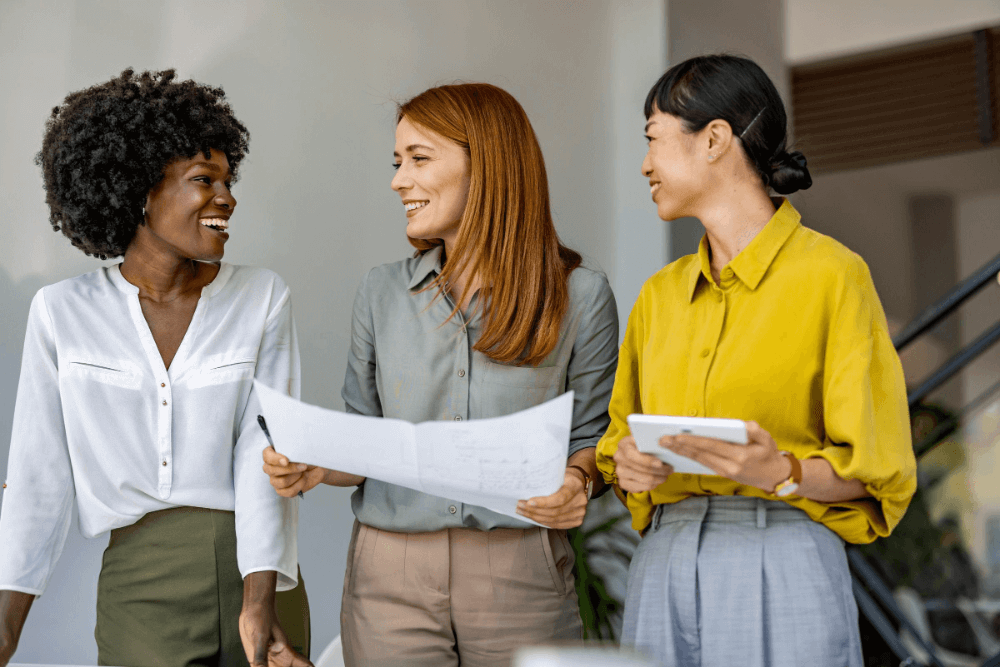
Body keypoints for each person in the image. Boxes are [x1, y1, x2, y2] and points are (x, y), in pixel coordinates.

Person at [263, 82, 619, 667]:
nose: (399, 180)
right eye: (398, 162)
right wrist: (315, 463)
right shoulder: (381, 291)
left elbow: (592, 439)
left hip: (520, 571)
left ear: (490, 167)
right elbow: (366, 438)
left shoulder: (581, 296)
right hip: (389, 574)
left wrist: (578, 484)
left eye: (419, 159)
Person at [595, 54, 917, 667]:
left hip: (783, 554)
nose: (644, 165)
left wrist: (784, 472)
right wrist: (629, 468)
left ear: (714, 139)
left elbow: (878, 471)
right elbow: (617, 441)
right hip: (662, 564)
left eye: (653, 140)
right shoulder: (659, 296)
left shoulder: (834, 277)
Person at [0, 69, 310, 667]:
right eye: (204, 179)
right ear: (139, 190)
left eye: (228, 179)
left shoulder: (262, 297)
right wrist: (6, 628)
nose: (227, 197)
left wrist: (259, 599)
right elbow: (38, 473)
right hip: (140, 585)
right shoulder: (62, 313)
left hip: (258, 572)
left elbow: (264, 453)